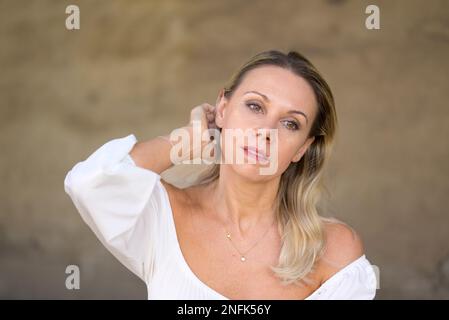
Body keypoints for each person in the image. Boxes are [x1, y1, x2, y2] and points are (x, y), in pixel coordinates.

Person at [64, 50, 377, 299]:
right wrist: (184, 140)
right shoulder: (165, 214)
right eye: (255, 106)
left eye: (290, 123)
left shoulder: (335, 252)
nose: (264, 131)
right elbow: (88, 183)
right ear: (223, 110)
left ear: (302, 149)